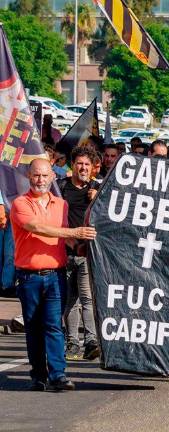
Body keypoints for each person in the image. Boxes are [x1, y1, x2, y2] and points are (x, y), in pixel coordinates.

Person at [11, 159, 97, 391]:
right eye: (36, 175)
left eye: (44, 176)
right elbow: (38, 228)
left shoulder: (61, 204)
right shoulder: (20, 203)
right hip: (29, 277)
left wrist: (82, 246)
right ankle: (38, 375)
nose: (40, 180)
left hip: (56, 275)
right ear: (29, 177)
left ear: (52, 177)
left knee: (53, 326)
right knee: (34, 328)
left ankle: (58, 374)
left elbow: (63, 237)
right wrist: (74, 231)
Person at [57, 147, 100, 362]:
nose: (82, 168)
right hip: (63, 252)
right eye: (79, 164)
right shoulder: (60, 187)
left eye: (87, 165)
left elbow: (110, 217)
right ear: (72, 165)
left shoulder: (97, 189)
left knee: (87, 297)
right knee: (70, 300)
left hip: (87, 253)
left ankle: (91, 341)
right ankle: (72, 342)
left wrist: (98, 199)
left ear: (93, 169)